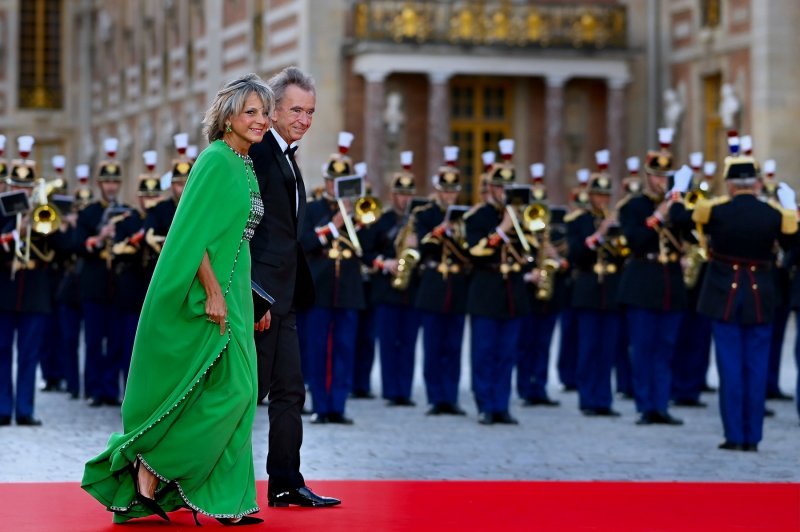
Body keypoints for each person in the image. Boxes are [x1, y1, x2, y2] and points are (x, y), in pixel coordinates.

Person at [82, 73, 272, 525]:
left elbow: (234, 240)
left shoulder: (244, 163)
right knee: (236, 392)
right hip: (207, 295)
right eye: (251, 112)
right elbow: (192, 237)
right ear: (227, 117)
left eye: (265, 113)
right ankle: (152, 462)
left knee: (239, 393)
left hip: (237, 294)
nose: (261, 120)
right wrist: (212, 293)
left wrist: (250, 299)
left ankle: (227, 499)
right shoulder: (214, 160)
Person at [248, 66, 339, 508]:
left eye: (311, 112)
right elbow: (246, 231)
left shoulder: (285, 154)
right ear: (274, 108)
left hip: (283, 298)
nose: (304, 119)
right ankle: (208, 480)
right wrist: (255, 296)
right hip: (261, 299)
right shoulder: (262, 151)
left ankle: (285, 481)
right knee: (247, 395)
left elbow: (287, 234)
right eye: (296, 110)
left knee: (289, 391)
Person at [691, 143, 797, 451]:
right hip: (761, 293)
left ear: (730, 184)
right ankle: (753, 437)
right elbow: (793, 243)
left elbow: (683, 221)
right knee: (757, 366)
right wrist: (792, 209)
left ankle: (734, 435)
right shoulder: (774, 214)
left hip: (724, 293)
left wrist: (677, 194)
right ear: (756, 183)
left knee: (730, 367)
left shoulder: (715, 210)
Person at [617, 128, 688, 426]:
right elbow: (633, 241)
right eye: (657, 176)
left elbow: (690, 233)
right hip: (642, 280)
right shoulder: (634, 206)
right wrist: (658, 215)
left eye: (666, 176)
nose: (661, 181)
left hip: (670, 281)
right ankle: (646, 405)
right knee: (643, 347)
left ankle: (662, 403)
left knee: (666, 348)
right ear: (647, 176)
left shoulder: (677, 205)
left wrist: (678, 205)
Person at [300, 132, 365, 424]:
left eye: (341, 182)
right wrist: (335, 226)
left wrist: (357, 221)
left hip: (348, 289)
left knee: (344, 349)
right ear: (326, 182)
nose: (334, 187)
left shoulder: (359, 211)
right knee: (317, 349)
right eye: (331, 181)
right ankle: (320, 405)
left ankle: (338, 405)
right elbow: (305, 244)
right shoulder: (313, 209)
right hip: (320, 287)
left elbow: (370, 246)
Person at [361, 150, 421, 408]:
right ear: (392, 194)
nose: (404, 199)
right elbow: (367, 252)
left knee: (408, 343)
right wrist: (385, 264)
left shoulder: (419, 221)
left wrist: (417, 245)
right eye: (400, 194)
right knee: (387, 342)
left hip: (412, 289)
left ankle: (404, 391)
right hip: (386, 289)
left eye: (408, 194)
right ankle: (390, 390)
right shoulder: (382, 220)